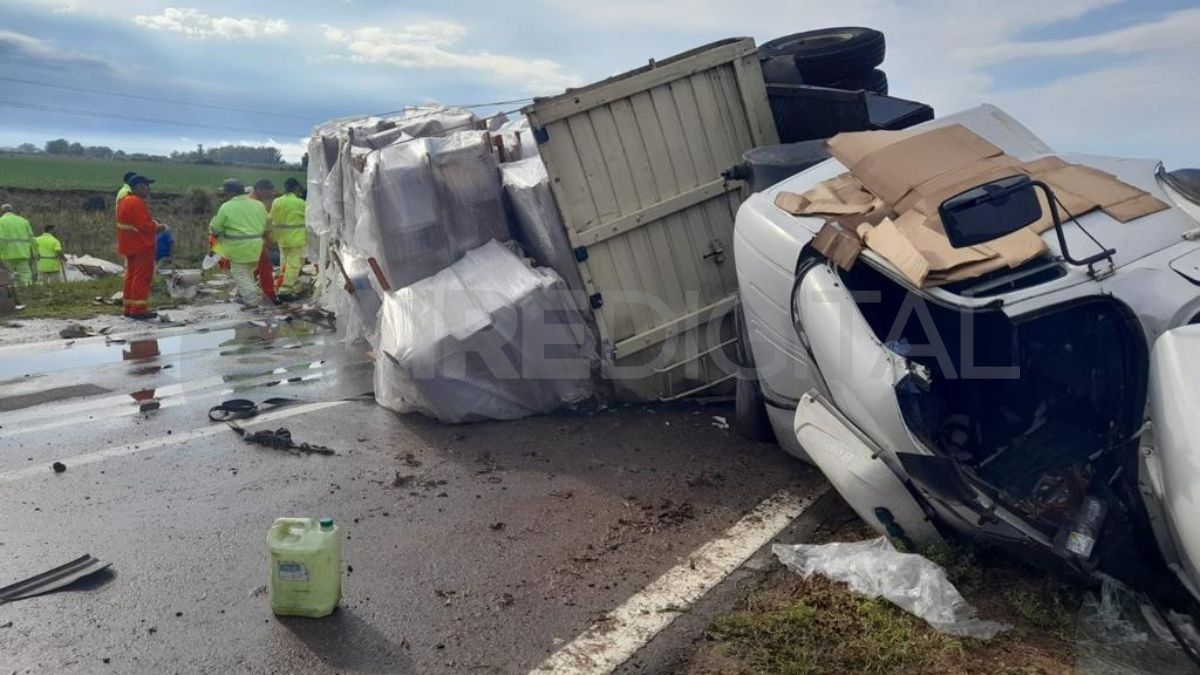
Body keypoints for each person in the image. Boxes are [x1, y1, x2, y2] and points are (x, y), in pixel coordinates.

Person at [211, 178, 269, 307]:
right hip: (256, 246)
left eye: (225, 192)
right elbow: (267, 224)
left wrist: (220, 237)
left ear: (231, 192)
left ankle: (252, 301)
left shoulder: (227, 206)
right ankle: (248, 296)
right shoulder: (258, 205)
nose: (224, 195)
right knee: (248, 273)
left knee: (240, 273)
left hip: (238, 247)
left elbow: (216, 228)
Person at [115, 176, 162, 319]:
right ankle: (138, 309)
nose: (149, 189)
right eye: (146, 186)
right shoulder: (136, 202)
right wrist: (158, 227)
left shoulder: (123, 201)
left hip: (128, 244)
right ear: (139, 187)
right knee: (142, 277)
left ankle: (128, 307)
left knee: (131, 276)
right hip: (141, 245)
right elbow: (145, 225)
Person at [269, 177, 307, 301]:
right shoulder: (300, 203)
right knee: (293, 265)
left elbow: (271, 218)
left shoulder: (277, 201)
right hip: (296, 238)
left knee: (285, 264)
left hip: (282, 238)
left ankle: (291, 285)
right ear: (296, 188)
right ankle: (285, 290)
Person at [249, 179, 277, 304]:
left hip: (247, 240)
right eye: (269, 190)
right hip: (253, 240)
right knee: (265, 266)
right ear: (260, 190)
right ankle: (269, 295)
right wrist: (268, 239)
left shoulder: (251, 200)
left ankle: (246, 291)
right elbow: (264, 224)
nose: (271, 193)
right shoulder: (255, 204)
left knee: (253, 267)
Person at [0, 204, 35, 286]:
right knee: (25, 274)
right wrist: (35, 251)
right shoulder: (24, 221)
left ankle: (9, 291)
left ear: (1, 211)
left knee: (7, 275)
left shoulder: (1, 221)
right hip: (23, 253)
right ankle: (27, 290)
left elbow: (1, 239)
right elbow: (32, 238)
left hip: (7, 254)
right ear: (12, 211)